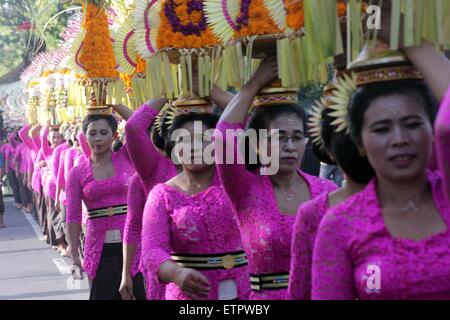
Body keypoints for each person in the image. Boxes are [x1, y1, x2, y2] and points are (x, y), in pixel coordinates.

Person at [311, 40, 450, 299]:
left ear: (432, 130)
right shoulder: (340, 224)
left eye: (412, 124)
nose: (399, 139)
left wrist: (414, 44)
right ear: (360, 143)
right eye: (381, 129)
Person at [214, 57, 337, 299]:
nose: (290, 146)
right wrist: (254, 84)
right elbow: (224, 137)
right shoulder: (245, 189)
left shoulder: (327, 190)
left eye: (296, 137)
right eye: (280, 137)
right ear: (257, 144)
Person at [141, 102, 251, 300]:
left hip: (244, 293)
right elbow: (152, 250)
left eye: (203, 139)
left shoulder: (236, 182)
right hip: (189, 296)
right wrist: (177, 273)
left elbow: (251, 123)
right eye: (185, 140)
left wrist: (210, 89)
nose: (195, 147)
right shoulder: (162, 194)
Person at [287, 103, 375, 300]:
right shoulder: (314, 213)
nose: (357, 148)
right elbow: (301, 292)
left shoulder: (419, 200)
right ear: (329, 150)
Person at [66, 105, 146, 300]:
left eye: (103, 132)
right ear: (85, 136)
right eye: (92, 133)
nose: (98, 138)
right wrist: (75, 254)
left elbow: (142, 124)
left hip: (134, 243)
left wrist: (114, 105)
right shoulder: (77, 173)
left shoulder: (128, 156)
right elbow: (73, 215)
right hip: (98, 248)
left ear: (114, 135)